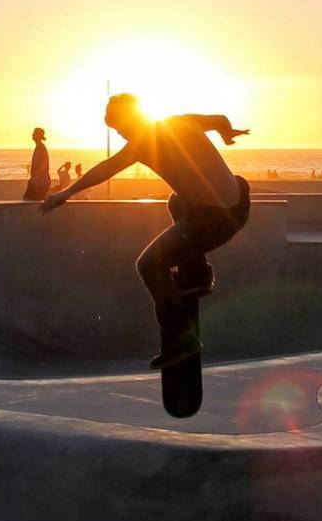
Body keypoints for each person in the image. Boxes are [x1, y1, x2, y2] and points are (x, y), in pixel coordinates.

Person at [39, 93, 250, 370]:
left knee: (149, 265)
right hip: (240, 200)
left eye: (120, 128)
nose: (122, 135)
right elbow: (220, 120)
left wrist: (65, 193)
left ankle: (180, 339)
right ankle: (198, 272)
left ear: (131, 120)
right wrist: (227, 134)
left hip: (214, 222)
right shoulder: (181, 121)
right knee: (176, 200)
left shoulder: (141, 143)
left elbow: (106, 168)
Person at [24, 127, 51, 202]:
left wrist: (35, 178)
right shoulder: (39, 147)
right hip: (39, 181)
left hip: (40, 182)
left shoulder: (41, 148)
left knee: (29, 201)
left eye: (34, 133)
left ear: (38, 135)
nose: (32, 135)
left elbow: (44, 165)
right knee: (30, 201)